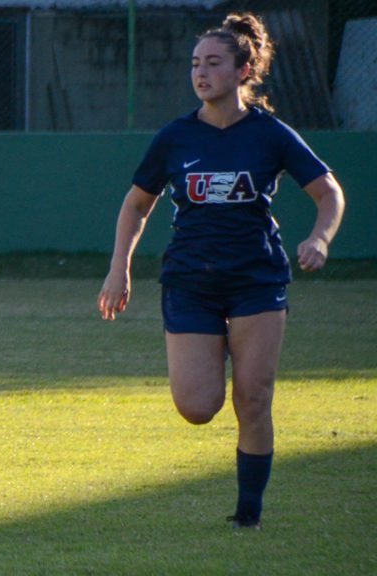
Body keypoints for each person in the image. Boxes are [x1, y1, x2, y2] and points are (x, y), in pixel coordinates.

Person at [97, 12, 344, 530]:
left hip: (257, 277)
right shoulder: (175, 138)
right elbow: (136, 205)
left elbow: (329, 193)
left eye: (213, 62)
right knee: (197, 405)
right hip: (191, 279)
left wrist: (320, 237)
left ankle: (247, 517)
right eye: (195, 64)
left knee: (253, 397)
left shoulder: (270, 134)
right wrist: (118, 269)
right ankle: (216, 361)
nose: (201, 73)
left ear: (244, 69)